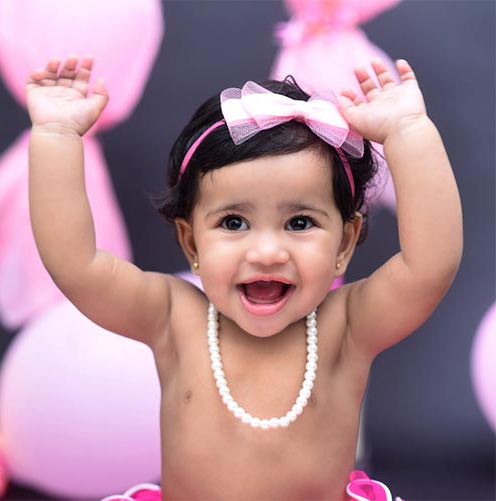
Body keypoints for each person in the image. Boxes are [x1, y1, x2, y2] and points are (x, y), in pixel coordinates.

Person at [26, 54, 462, 500]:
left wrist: (409, 131)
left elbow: (430, 265)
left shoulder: (346, 327)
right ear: (192, 243)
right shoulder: (173, 317)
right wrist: (56, 134)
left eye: (300, 223)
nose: (267, 252)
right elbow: (76, 265)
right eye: (234, 222)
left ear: (344, 244)